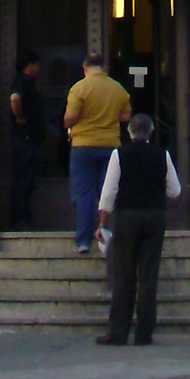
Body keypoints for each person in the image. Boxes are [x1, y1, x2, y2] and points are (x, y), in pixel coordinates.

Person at [95, 112, 181, 347]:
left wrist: (102, 222)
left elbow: (109, 192)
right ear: (151, 132)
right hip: (154, 215)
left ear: (129, 132)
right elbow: (175, 191)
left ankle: (118, 331)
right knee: (148, 275)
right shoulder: (162, 154)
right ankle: (144, 332)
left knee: (124, 274)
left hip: (128, 216)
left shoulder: (119, 154)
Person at [63, 53, 130, 255]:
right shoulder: (118, 88)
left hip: (83, 145)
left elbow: (69, 118)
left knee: (84, 195)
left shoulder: (79, 88)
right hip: (111, 144)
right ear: (104, 68)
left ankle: (83, 241)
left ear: (85, 68)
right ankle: (106, 236)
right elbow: (126, 116)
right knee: (107, 193)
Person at [9, 49, 46, 228]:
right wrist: (19, 117)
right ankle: (20, 218)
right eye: (37, 64)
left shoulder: (29, 82)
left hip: (29, 138)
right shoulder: (22, 81)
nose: (38, 68)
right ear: (29, 65)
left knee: (27, 178)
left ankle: (24, 216)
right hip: (24, 138)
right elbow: (15, 99)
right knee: (23, 178)